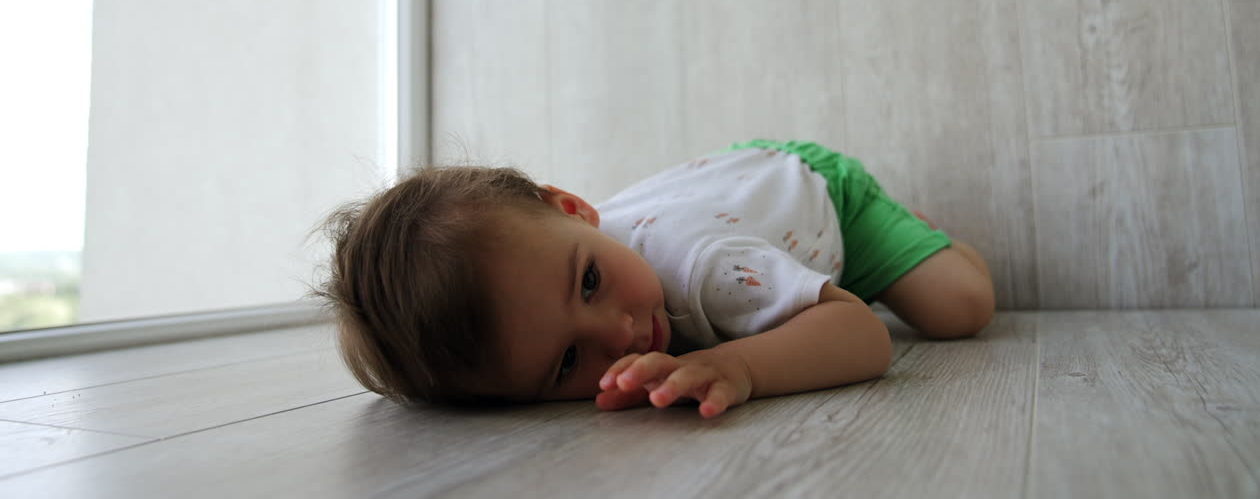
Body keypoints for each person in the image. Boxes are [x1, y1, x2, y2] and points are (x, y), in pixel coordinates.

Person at [315, 140, 994, 419]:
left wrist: (740, 365)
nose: (620, 330)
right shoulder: (558, 246)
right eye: (568, 362)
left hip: (820, 200)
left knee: (961, 308)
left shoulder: (703, 268)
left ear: (574, 209)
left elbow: (862, 336)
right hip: (741, 194)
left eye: (588, 283)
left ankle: (913, 233)